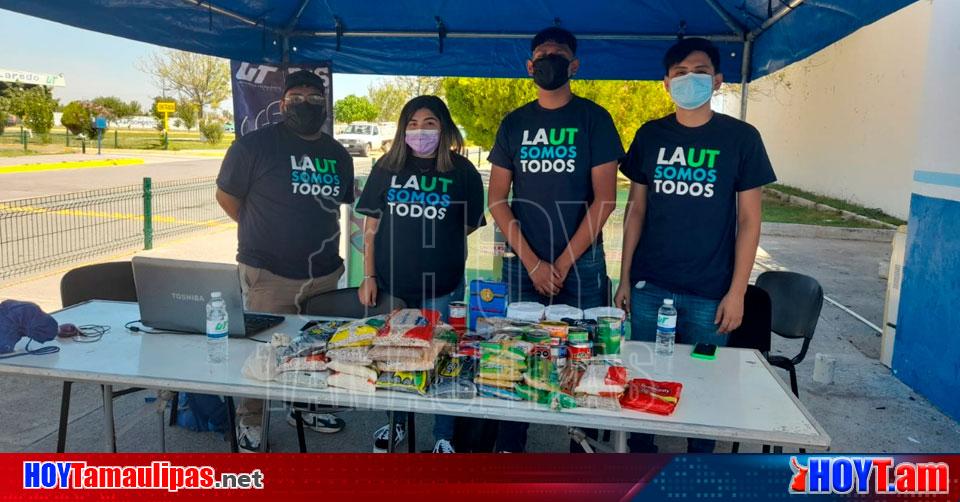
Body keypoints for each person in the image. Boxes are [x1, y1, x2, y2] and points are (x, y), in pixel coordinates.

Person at [614, 37, 777, 453]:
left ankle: (698, 464)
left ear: (718, 81)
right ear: (666, 84)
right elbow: (635, 211)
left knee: (705, 388)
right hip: (650, 287)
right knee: (642, 382)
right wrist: (625, 279)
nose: (690, 79)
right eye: (680, 73)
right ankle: (639, 456)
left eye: (700, 71)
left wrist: (738, 291)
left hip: (710, 294)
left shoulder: (741, 139)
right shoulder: (651, 136)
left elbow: (749, 219)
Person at [486, 27, 624, 453]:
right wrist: (532, 262)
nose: (549, 59)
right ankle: (512, 447)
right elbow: (497, 199)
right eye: (541, 54)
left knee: (582, 358)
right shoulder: (515, 123)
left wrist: (561, 263)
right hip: (521, 262)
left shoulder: (594, 119)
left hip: (580, 263)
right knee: (514, 354)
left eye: (558, 53)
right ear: (530, 66)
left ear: (574, 65)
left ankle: (579, 447)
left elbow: (605, 200)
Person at [215, 70, 355, 453]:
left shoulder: (339, 154)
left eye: (314, 97)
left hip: (324, 274)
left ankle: (304, 407)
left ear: (324, 105)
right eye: (297, 96)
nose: (305, 103)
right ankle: (251, 420)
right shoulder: (254, 146)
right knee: (261, 352)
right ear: (282, 104)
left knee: (314, 347)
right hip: (269, 274)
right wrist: (262, 229)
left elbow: (337, 204)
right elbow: (228, 199)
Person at [355, 95, 486, 453]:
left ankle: (443, 435)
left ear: (444, 128)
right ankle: (396, 423)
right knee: (394, 357)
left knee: (443, 356)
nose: (420, 130)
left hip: (442, 286)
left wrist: (435, 245)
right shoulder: (387, 167)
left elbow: (468, 225)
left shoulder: (463, 173)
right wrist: (368, 276)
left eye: (429, 123)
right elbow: (371, 225)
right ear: (402, 129)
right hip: (392, 286)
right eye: (412, 124)